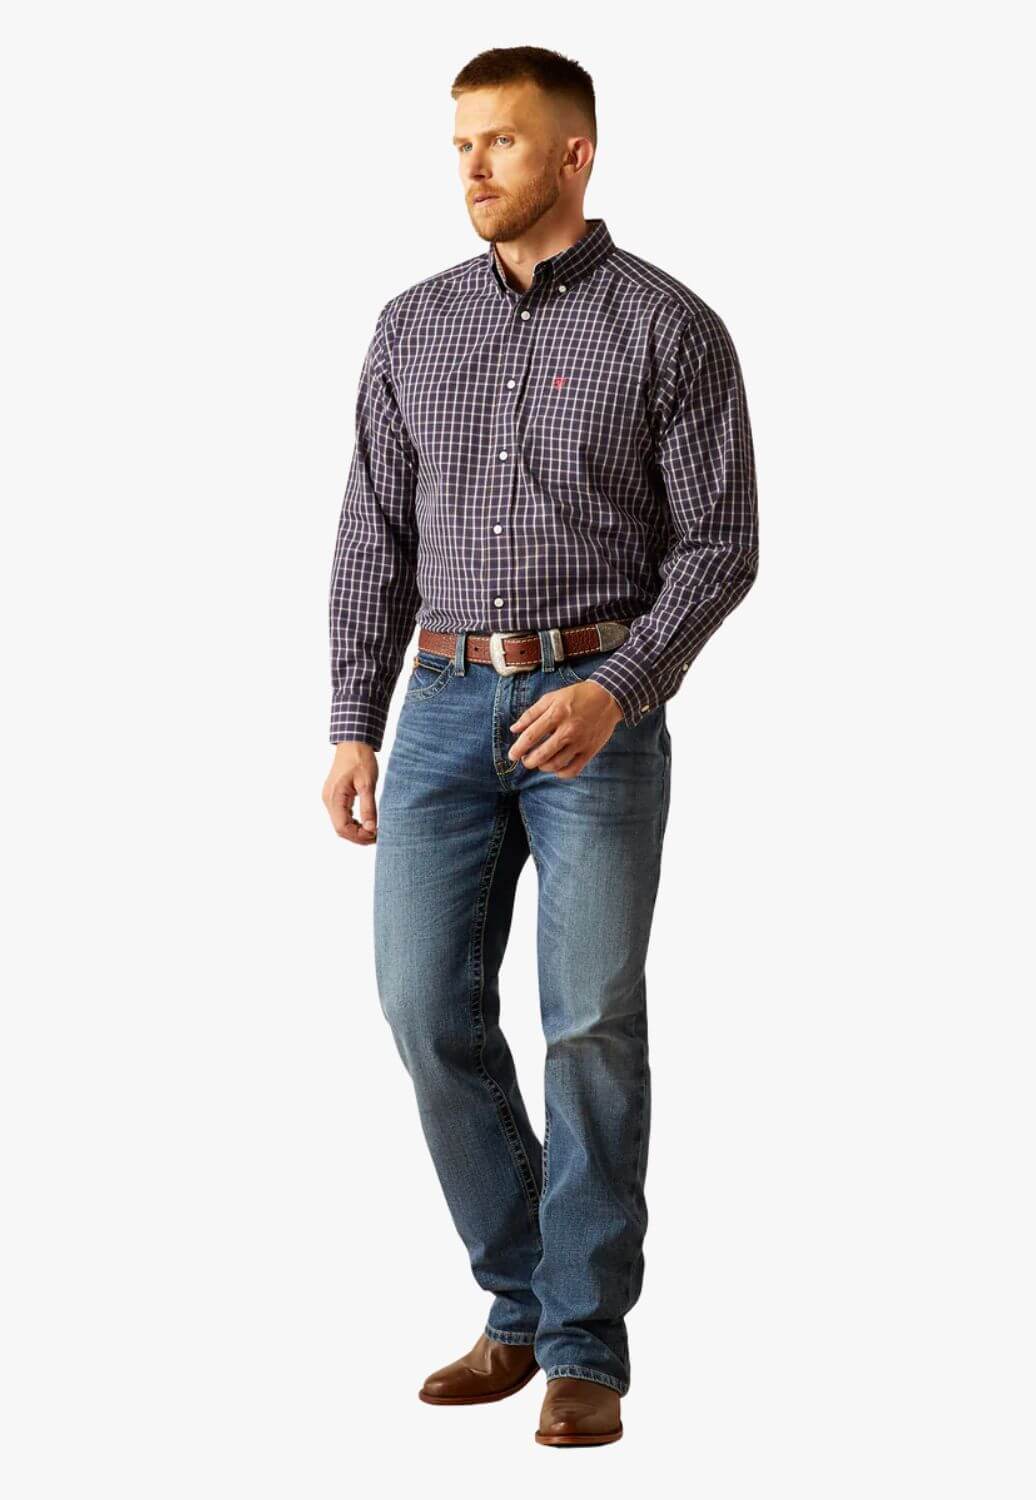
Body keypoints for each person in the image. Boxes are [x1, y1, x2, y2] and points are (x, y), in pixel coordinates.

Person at [322, 44, 759, 1447]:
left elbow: (722, 544)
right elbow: (372, 541)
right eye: (460, 143)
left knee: (590, 1024)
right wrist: (351, 722)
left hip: (597, 712)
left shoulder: (667, 327)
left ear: (575, 154)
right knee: (422, 1007)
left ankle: (581, 1346)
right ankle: (518, 1302)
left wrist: (622, 687)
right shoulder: (412, 327)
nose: (472, 167)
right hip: (444, 704)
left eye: (500, 142)